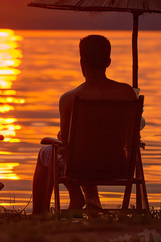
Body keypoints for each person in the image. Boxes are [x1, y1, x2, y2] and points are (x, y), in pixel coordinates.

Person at [32, 34, 137, 215]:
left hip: (79, 168)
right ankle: (90, 199)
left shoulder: (70, 98)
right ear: (108, 62)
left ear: (82, 62)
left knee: (47, 151)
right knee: (87, 150)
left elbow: (65, 143)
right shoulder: (127, 93)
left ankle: (39, 214)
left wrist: (60, 138)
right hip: (117, 165)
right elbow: (131, 138)